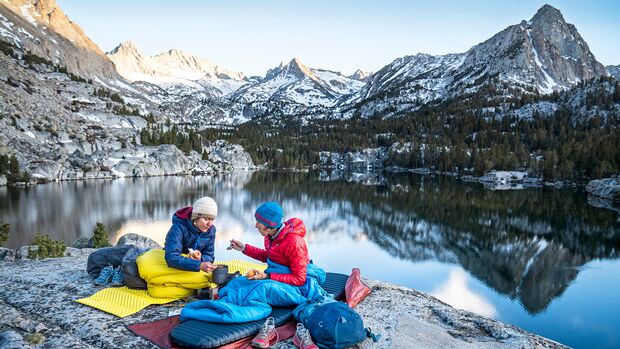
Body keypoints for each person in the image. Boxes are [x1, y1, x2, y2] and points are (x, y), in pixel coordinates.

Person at [229, 201, 309, 286]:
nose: (256, 226)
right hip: (274, 276)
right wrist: (244, 248)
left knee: (256, 290)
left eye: (259, 222)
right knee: (237, 283)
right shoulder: (270, 235)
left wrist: (267, 276)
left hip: (292, 283)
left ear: (271, 226)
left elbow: (299, 279)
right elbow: (269, 256)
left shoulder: (295, 242)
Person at [164, 196, 218, 273]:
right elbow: (171, 257)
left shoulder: (211, 231)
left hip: (195, 266)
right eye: (206, 219)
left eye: (212, 219)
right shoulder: (178, 228)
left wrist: (201, 258)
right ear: (195, 217)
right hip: (177, 266)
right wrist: (198, 265)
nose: (209, 224)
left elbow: (209, 256)